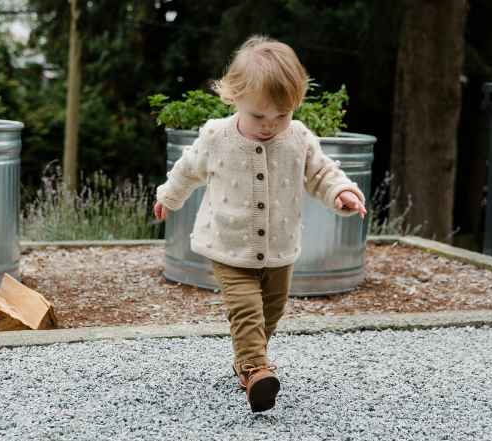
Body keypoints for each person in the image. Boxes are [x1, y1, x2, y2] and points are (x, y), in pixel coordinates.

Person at [153, 35, 367, 413]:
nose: (270, 126)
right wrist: (168, 197)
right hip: (228, 246)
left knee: (272, 309)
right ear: (234, 97)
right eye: (259, 117)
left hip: (280, 248)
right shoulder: (216, 136)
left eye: (281, 116)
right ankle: (255, 370)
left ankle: (247, 361)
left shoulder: (298, 138)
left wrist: (341, 193)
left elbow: (320, 173)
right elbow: (187, 171)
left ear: (294, 107)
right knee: (247, 308)